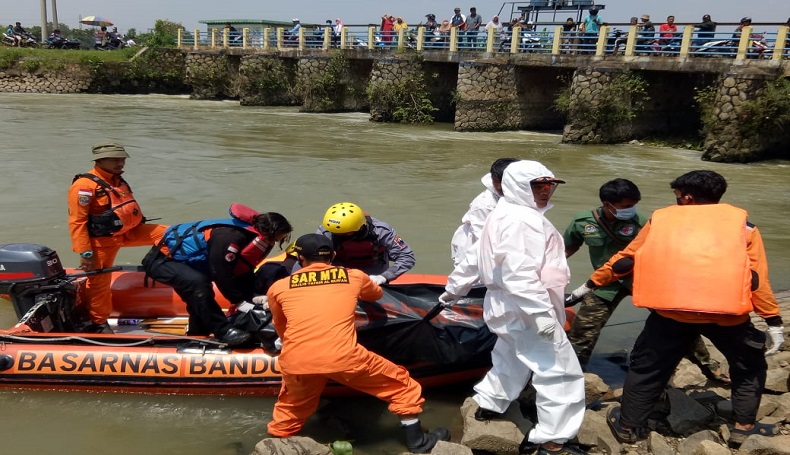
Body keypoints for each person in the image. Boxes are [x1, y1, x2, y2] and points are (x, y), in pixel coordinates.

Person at [568, 170, 784, 445]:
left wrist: (587, 286)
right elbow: (756, 279)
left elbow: (625, 261)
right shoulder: (745, 228)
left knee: (646, 367)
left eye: (679, 197)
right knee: (749, 367)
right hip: (728, 317)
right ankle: (743, 426)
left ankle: (627, 426)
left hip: (671, 315)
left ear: (689, 197)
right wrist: (773, 320)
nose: (678, 201)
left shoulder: (660, 223)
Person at [265, 233, 450, 453]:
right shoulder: (353, 276)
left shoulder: (279, 288)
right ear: (333, 255)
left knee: (292, 407)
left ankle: (275, 442)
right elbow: (375, 294)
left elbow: (281, 327)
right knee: (402, 386)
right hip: (343, 356)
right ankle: (418, 442)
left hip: (296, 359)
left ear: (299, 258)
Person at [448, 160, 586, 455]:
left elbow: (474, 256)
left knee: (510, 354)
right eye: (538, 185)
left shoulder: (501, 213)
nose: (546, 191)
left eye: (550, 185)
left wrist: (453, 290)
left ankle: (490, 403)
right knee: (558, 370)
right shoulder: (523, 220)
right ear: (518, 186)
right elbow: (518, 273)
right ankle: (553, 440)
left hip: (506, 304)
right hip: (525, 304)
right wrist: (540, 313)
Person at [563, 179, 727, 380]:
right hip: (605, 282)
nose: (631, 210)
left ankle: (709, 365)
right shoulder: (583, 222)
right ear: (607, 205)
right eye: (626, 206)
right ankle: (572, 375)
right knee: (583, 330)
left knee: (679, 324)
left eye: (633, 205)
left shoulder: (641, 222)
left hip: (643, 280)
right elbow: (567, 248)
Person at [141, 206, 292, 346]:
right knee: (198, 284)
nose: (278, 242)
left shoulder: (250, 236)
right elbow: (221, 272)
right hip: (162, 260)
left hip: (187, 263)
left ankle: (197, 334)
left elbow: (241, 272)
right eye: (278, 238)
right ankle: (223, 330)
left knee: (198, 296)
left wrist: (253, 296)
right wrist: (238, 301)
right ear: (269, 232)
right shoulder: (229, 237)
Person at [68, 143, 168, 333]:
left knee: (168, 234)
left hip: (128, 232)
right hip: (102, 240)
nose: (120, 163)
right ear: (100, 160)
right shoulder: (84, 186)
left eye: (122, 159)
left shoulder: (118, 181)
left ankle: (169, 269)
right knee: (99, 283)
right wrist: (85, 253)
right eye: (115, 159)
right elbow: (77, 221)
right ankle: (99, 322)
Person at [317, 202, 415, 285]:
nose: (338, 235)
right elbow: (307, 258)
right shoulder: (326, 231)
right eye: (336, 233)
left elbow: (406, 256)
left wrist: (384, 277)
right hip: (340, 276)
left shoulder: (381, 231)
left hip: (374, 277)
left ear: (360, 228)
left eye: (344, 234)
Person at [449, 158, 518, 267]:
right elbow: (485, 239)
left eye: (504, 182)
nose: (499, 187)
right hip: (475, 245)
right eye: (496, 182)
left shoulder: (523, 194)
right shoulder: (485, 204)